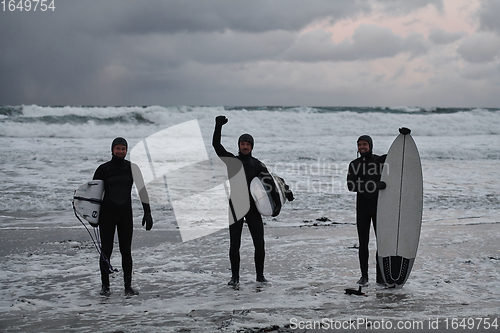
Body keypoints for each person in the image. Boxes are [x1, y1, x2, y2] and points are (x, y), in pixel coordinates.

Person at [212, 115, 280, 285]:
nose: (245, 146)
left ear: (252, 147)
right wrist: (218, 126)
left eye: (248, 144)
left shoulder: (257, 165)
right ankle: (234, 278)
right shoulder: (232, 161)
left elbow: (270, 183)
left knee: (259, 243)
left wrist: (278, 204)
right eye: (242, 144)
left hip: (253, 208)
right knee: (235, 244)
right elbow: (216, 145)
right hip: (235, 206)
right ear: (239, 145)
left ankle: (260, 276)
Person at [93, 137, 153, 296]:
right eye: (118, 148)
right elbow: (94, 195)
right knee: (106, 250)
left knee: (126, 251)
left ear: (127, 150)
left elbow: (142, 190)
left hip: (125, 214)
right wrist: (93, 216)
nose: (120, 151)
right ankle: (105, 287)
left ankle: (128, 286)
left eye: (123, 148)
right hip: (107, 215)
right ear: (112, 149)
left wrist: (147, 212)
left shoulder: (132, 168)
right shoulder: (103, 169)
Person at [347, 134, 387, 286]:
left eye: (364, 144)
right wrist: (375, 185)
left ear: (370, 145)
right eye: (359, 145)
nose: (362, 147)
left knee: (381, 244)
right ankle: (364, 276)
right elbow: (351, 186)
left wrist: (404, 137)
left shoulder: (380, 161)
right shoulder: (354, 164)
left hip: (379, 207)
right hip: (362, 207)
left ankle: (381, 277)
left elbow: (398, 155)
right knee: (363, 243)